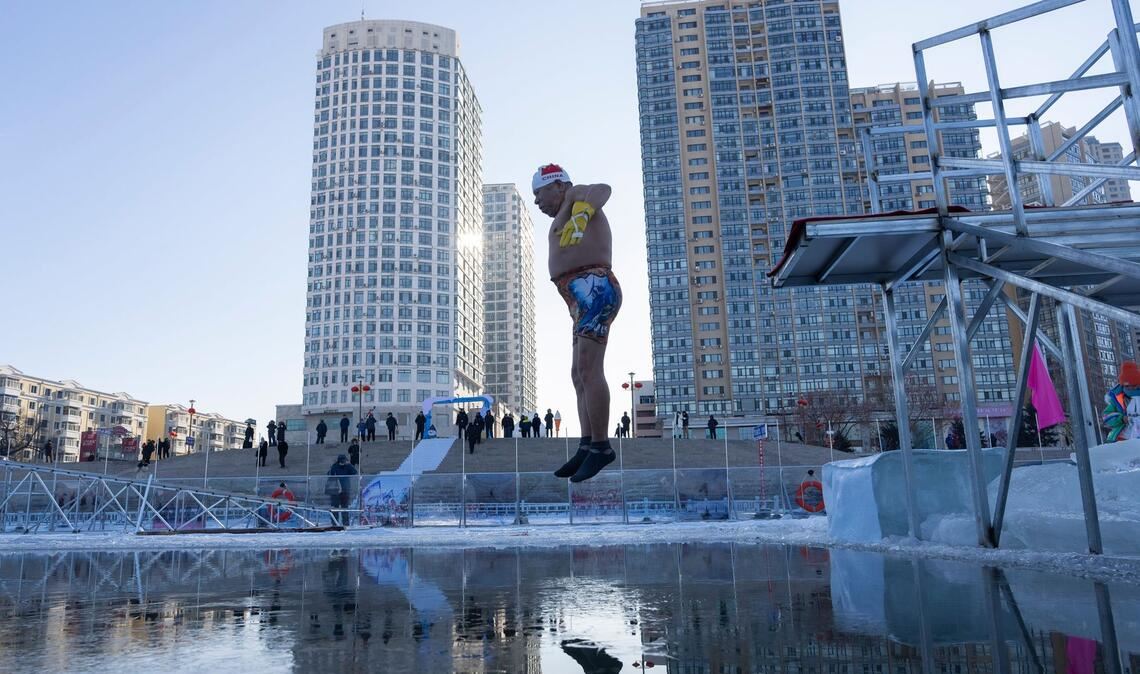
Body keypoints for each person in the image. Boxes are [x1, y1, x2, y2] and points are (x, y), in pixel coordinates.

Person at [535, 164, 621, 483]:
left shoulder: (576, 194)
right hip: (579, 297)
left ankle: (601, 446)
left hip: (594, 287)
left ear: (557, 186)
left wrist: (582, 213)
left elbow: (603, 189)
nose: (536, 201)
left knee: (588, 368)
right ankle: (587, 443)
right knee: (577, 372)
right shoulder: (565, 208)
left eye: (538, 193)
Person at [1104, 360, 1140, 441]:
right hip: (1123, 437)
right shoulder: (1116, 399)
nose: (1130, 388)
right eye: (1127, 385)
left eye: (1133, 385)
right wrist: (1121, 418)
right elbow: (1106, 417)